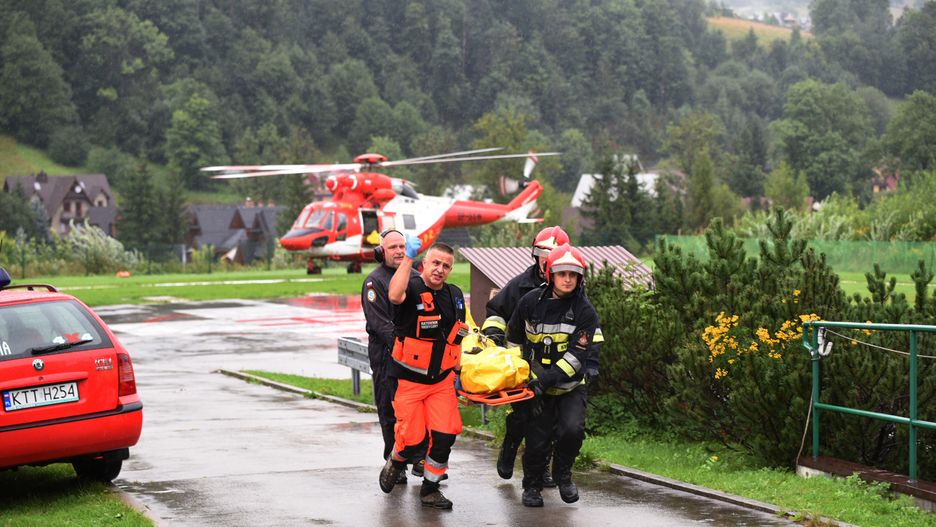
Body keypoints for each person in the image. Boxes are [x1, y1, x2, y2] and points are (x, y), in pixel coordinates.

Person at [506, 244, 603, 507]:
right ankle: (532, 487)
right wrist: (519, 375)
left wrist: (544, 381)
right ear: (551, 274)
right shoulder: (529, 302)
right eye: (562, 273)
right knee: (536, 440)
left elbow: (576, 358)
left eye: (573, 274)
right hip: (534, 385)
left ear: (580, 278)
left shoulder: (585, 310)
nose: (568, 279)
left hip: (570, 386)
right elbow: (514, 340)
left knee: (572, 432)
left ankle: (563, 475)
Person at [378, 237, 468, 510]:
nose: (440, 269)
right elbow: (394, 295)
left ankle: (430, 489)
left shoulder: (454, 294)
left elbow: (458, 336)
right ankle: (396, 459)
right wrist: (408, 258)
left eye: (446, 265)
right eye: (435, 263)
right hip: (408, 380)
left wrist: (458, 370)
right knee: (412, 437)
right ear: (424, 263)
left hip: (441, 382)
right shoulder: (411, 288)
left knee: (445, 434)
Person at [481, 225, 570, 487]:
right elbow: (496, 310)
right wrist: (495, 337)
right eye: (542, 254)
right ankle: (510, 446)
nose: (546, 260)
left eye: (551, 254)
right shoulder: (520, 285)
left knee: (551, 422)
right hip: (524, 364)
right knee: (525, 416)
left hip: (557, 367)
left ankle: (539, 469)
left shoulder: (571, 286)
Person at [361, 229, 425, 483]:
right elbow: (380, 324)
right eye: (393, 247)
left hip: (416, 358)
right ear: (382, 252)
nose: (399, 251)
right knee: (389, 410)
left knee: (417, 410)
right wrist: (404, 349)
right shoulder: (374, 282)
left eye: (402, 246)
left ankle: (420, 458)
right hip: (387, 356)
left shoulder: (418, 277)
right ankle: (394, 462)